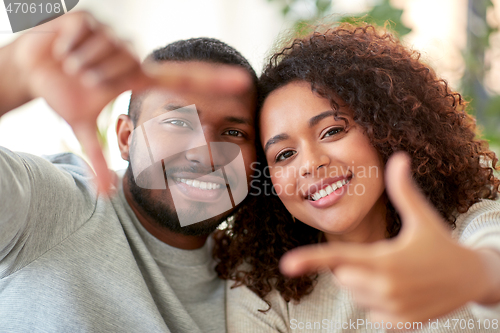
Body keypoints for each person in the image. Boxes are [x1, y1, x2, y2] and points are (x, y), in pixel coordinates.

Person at [214, 23, 500, 332]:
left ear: (385, 128)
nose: (311, 163)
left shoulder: (469, 224)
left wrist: (479, 277)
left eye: (333, 131)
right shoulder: (263, 288)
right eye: (284, 154)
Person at [0, 11, 258, 333]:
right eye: (178, 122)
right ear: (125, 137)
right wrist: (12, 72)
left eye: (234, 134)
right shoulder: (53, 207)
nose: (205, 156)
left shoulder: (256, 279)